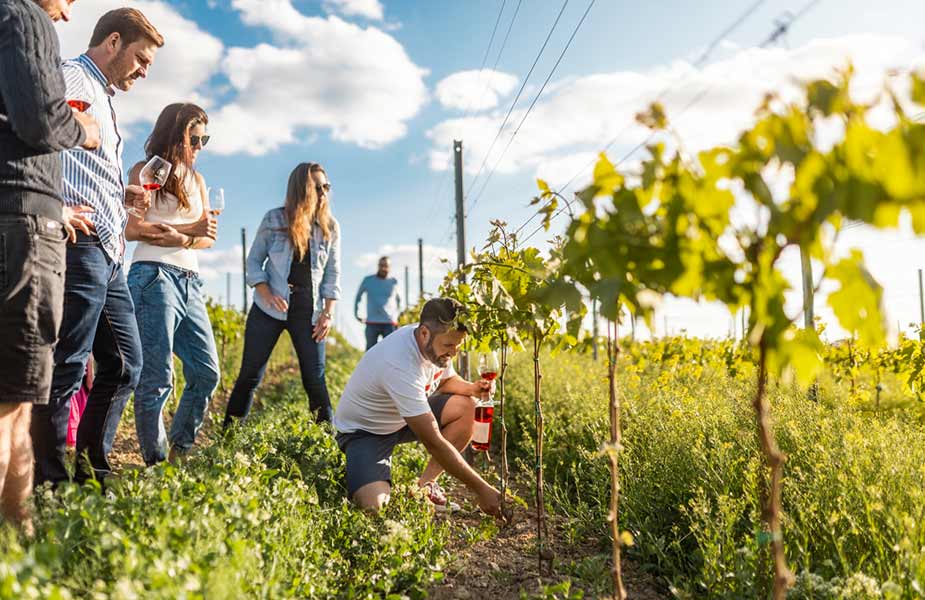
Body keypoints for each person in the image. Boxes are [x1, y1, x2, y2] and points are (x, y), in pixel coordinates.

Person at [31, 7, 165, 487]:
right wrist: (58, 208)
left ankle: (93, 471)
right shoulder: (73, 80)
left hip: (108, 251)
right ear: (113, 42)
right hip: (78, 244)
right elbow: (41, 134)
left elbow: (83, 163)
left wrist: (121, 194)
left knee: (126, 364)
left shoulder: (104, 99)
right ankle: (49, 483)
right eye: (141, 59)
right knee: (67, 363)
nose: (144, 71)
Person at [0, 0, 100, 528]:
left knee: (16, 403)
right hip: (23, 228)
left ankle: (22, 542)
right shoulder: (23, 14)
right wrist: (83, 128)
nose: (66, 14)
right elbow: (40, 117)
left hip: (20, 221)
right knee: (10, 405)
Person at [333, 297, 502, 515]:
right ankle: (365, 466)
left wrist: (472, 389)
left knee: (467, 406)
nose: (453, 353)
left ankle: (425, 486)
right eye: (449, 345)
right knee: (374, 507)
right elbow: (434, 442)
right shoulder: (399, 362)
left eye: (458, 346)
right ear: (424, 334)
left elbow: (445, 380)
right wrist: (482, 489)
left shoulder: (434, 341)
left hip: (401, 418)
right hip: (366, 432)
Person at [126, 103, 220, 466]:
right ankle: (156, 462)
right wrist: (187, 232)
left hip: (190, 281)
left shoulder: (197, 181)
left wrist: (177, 235)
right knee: (157, 376)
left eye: (204, 139)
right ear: (174, 134)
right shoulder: (146, 171)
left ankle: (179, 451)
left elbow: (208, 237)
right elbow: (134, 230)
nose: (199, 145)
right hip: (153, 276)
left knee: (206, 371)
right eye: (193, 138)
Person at [223, 162, 340, 428]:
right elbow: (253, 262)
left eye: (326, 187)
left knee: (315, 379)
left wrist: (327, 314)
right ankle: (226, 439)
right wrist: (265, 292)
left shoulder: (330, 228)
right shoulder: (274, 220)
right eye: (317, 187)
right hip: (268, 311)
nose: (323, 193)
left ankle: (326, 445)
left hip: (308, 313)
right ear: (301, 189)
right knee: (250, 376)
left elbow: (333, 274)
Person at [355, 256, 401, 350]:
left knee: (390, 351)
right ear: (378, 266)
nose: (384, 268)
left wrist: (398, 317)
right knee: (370, 352)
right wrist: (357, 314)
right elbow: (358, 297)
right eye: (381, 265)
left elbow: (399, 301)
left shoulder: (394, 282)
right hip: (372, 322)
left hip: (389, 323)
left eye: (386, 266)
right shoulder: (368, 280)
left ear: (390, 267)